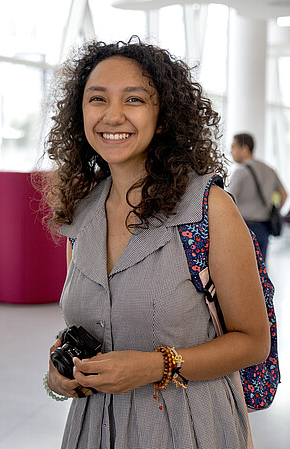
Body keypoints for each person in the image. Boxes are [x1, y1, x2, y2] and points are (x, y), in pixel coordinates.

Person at [42, 37, 270, 449]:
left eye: (133, 100)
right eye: (98, 99)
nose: (113, 116)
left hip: (190, 429)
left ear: (163, 116)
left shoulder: (208, 208)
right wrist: (60, 373)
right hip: (93, 430)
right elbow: (100, 318)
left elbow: (254, 341)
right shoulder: (82, 214)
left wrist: (155, 366)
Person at [228, 133, 288, 261]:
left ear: (244, 149)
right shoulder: (269, 169)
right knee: (261, 269)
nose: (231, 152)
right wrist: (274, 210)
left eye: (233, 147)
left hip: (244, 227)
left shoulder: (240, 172)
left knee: (244, 268)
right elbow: (284, 194)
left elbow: (228, 199)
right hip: (264, 227)